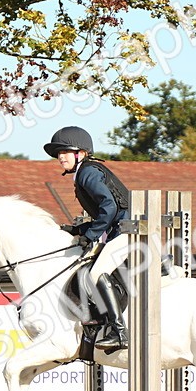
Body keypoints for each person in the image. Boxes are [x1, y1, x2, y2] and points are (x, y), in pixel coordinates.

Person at [44, 126, 130, 351]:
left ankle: (120, 332)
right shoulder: (86, 171)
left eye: (65, 152)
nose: (60, 157)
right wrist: (80, 230)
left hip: (127, 232)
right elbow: (105, 212)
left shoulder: (88, 172)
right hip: (121, 230)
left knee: (96, 273)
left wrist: (91, 235)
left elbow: (109, 207)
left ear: (80, 153)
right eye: (58, 154)